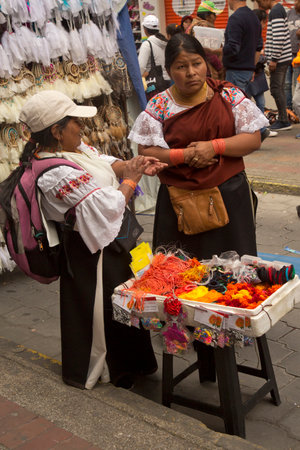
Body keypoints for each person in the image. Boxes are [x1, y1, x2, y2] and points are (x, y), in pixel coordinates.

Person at [18, 90, 166, 390]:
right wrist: (131, 181)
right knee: (106, 309)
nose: (81, 127)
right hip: (92, 252)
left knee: (128, 301)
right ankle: (117, 370)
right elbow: (107, 207)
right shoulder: (54, 173)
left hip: (115, 241)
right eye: (74, 122)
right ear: (57, 132)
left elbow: (106, 162)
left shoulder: (75, 149)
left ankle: (137, 363)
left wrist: (131, 166)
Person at [129, 33, 268, 262]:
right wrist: (186, 155)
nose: (191, 72)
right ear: (169, 70)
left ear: (206, 63)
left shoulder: (228, 94)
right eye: (181, 66)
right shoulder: (160, 104)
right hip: (179, 202)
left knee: (233, 273)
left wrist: (214, 147)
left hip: (230, 197)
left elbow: (252, 138)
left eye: (196, 63)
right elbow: (146, 151)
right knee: (180, 272)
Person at [246, 9, 278, 139]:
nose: (265, 25)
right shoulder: (251, 34)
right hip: (250, 73)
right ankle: (256, 130)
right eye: (264, 22)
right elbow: (250, 54)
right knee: (248, 103)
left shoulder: (253, 33)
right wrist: (262, 58)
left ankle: (262, 129)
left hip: (256, 74)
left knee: (259, 103)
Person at [264, 0, 293, 131]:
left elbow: (279, 37)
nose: (260, 5)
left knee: (276, 89)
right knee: (278, 89)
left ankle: (283, 120)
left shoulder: (275, 11)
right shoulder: (278, 10)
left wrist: (274, 59)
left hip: (280, 59)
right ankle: (283, 119)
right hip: (282, 58)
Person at [223, 0, 262, 91]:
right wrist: (252, 68)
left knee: (233, 104)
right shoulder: (254, 18)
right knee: (243, 103)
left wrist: (216, 50)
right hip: (247, 73)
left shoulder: (235, 18)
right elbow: (258, 47)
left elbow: (233, 48)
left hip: (235, 72)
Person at [187, 1, 224, 79]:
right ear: (207, 16)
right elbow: (208, 51)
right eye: (214, 14)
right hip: (209, 70)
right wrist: (219, 67)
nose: (215, 17)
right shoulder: (204, 27)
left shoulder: (192, 26)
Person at [138, 14, 171, 91]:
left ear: (145, 29)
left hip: (154, 83)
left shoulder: (147, 44)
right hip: (168, 80)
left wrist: (142, 74)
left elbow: (141, 67)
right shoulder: (165, 42)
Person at [285, 0, 300, 111]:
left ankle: (297, 109)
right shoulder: (289, 13)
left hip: (298, 56)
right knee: (286, 84)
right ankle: (289, 110)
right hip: (287, 53)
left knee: (297, 85)